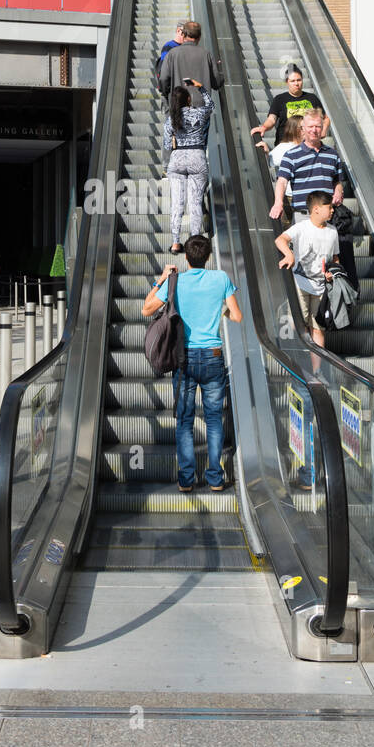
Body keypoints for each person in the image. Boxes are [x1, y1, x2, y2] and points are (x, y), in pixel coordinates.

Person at [142, 234, 242, 492]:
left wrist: (161, 279)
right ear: (208, 257)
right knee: (213, 420)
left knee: (185, 420)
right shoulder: (220, 278)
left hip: (184, 359)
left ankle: (186, 480)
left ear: (186, 257)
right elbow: (238, 316)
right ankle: (215, 478)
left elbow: (147, 309)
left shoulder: (176, 281)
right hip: (213, 357)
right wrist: (221, 311)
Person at [275, 191, 340, 349]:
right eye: (329, 207)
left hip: (321, 288)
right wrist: (289, 254)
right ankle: (295, 359)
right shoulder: (302, 227)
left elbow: (335, 257)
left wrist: (333, 271)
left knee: (318, 329)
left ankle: (317, 371)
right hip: (300, 284)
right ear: (316, 209)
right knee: (297, 324)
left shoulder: (332, 232)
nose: (333, 210)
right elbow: (280, 239)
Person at [270, 109, 345, 225]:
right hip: (303, 216)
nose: (314, 130)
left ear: (322, 128)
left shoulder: (333, 154)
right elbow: (282, 182)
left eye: (318, 126)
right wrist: (278, 203)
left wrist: (338, 192)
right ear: (303, 129)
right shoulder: (291, 155)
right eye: (310, 126)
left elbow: (337, 181)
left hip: (329, 216)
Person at [164, 80, 213, 253]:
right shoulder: (199, 114)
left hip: (177, 160)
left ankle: (176, 242)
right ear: (189, 100)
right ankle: (194, 241)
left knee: (177, 203)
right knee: (195, 202)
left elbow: (166, 145)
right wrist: (200, 87)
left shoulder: (171, 120)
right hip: (197, 158)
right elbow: (210, 104)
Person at [250, 64, 330, 147]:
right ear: (287, 82)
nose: (296, 83)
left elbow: (325, 119)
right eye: (293, 81)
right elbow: (272, 119)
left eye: (299, 80)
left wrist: (323, 130)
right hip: (286, 144)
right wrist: (264, 127)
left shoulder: (312, 98)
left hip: (309, 145)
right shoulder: (279, 99)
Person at [159, 21, 224, 107]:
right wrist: (220, 70)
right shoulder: (206, 55)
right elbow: (216, 83)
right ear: (199, 37)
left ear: (184, 35)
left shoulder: (172, 54)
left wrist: (167, 93)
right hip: (201, 106)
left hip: (179, 104)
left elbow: (163, 78)